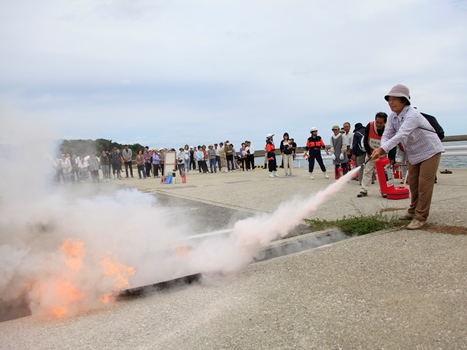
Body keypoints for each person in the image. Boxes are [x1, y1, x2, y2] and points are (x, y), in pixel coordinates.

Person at [371, 84, 444, 230]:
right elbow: (387, 134)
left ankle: (420, 217)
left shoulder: (412, 114)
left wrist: (382, 148)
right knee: (413, 184)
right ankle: (412, 211)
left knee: (424, 184)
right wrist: (382, 148)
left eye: (394, 99)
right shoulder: (392, 117)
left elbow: (401, 134)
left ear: (404, 100)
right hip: (414, 153)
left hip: (430, 150)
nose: (391, 103)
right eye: (389, 100)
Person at [357, 113, 387, 197]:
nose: (378, 125)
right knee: (367, 171)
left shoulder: (388, 129)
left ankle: (385, 190)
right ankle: (364, 190)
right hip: (371, 152)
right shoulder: (369, 126)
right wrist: (368, 153)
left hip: (383, 154)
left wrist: (391, 158)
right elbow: (365, 140)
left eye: (381, 123)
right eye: (377, 122)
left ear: (385, 122)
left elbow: (392, 143)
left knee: (385, 173)